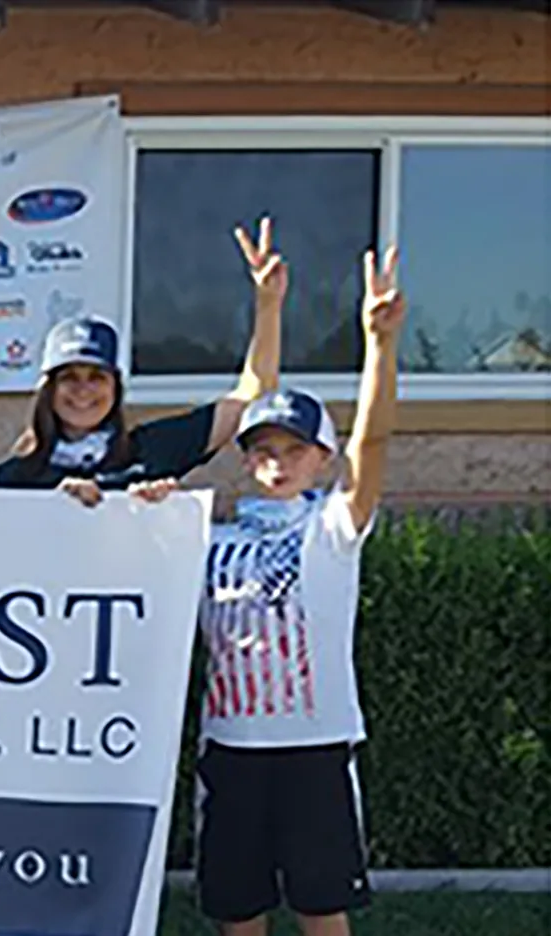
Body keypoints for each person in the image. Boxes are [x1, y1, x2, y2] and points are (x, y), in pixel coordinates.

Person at [137, 248, 407, 936]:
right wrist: (144, 503)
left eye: (293, 449)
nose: (276, 463)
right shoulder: (209, 534)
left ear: (322, 457)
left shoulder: (334, 527)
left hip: (315, 749)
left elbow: (372, 444)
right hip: (230, 751)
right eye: (262, 450)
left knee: (322, 911)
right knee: (238, 913)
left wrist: (379, 344)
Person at [0, 217, 287, 503]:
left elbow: (252, 398)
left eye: (97, 377)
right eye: (69, 378)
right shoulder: (13, 476)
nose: (83, 390)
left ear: (116, 387)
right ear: (48, 390)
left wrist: (268, 302)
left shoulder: (151, 450)